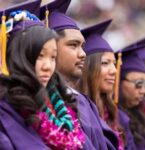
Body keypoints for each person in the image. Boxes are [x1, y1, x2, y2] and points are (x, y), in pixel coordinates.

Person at [40, 1, 119, 149]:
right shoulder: (36, 104)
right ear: (48, 47)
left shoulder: (84, 102)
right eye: (73, 45)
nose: (83, 54)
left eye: (82, 46)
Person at [0, 5, 58, 150]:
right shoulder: (4, 109)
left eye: (53, 57)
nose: (48, 66)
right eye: (40, 55)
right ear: (18, 55)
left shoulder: (53, 107)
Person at [77, 19, 125, 150]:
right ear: (87, 68)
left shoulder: (112, 113)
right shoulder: (77, 113)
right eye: (105, 63)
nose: (114, 70)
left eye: (114, 63)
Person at [118, 43, 145, 150]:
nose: (143, 91)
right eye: (138, 84)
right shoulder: (114, 118)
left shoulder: (140, 112)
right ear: (118, 82)